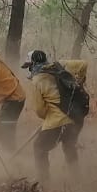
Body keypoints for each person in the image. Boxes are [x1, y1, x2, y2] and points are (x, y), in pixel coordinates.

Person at [22, 48, 88, 184]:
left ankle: (44, 183)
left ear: (33, 64)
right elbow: (83, 64)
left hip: (57, 122)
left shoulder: (37, 81)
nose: (29, 69)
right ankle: (77, 179)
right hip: (75, 119)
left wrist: (48, 120)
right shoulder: (60, 66)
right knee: (69, 146)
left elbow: (40, 111)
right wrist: (80, 82)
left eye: (29, 66)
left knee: (39, 147)